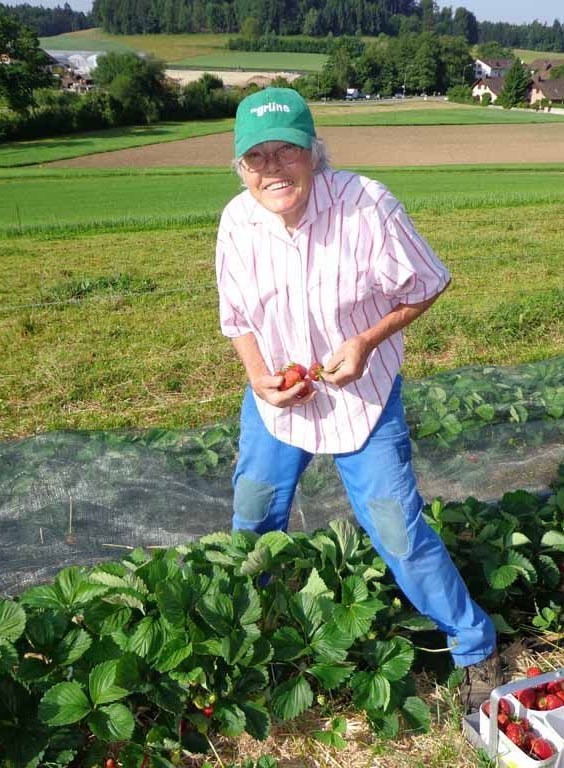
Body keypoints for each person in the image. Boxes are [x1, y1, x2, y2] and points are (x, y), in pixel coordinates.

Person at [213, 87, 501, 710]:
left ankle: (475, 646)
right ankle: (256, 638)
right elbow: (235, 315)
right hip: (276, 400)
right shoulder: (237, 220)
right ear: (240, 168)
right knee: (253, 520)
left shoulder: (368, 206)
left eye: (286, 152)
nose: (272, 169)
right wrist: (260, 375)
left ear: (314, 154)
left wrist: (368, 339)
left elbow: (429, 281)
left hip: (362, 395)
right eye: (256, 157)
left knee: (397, 529)